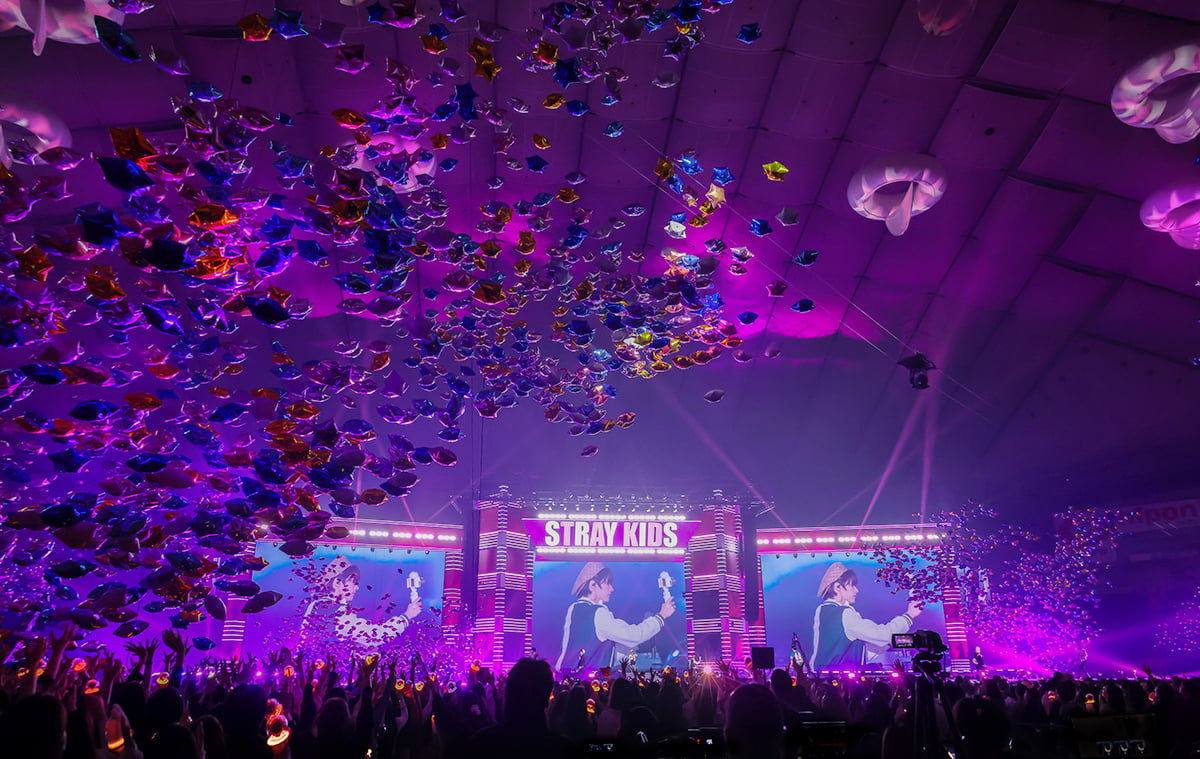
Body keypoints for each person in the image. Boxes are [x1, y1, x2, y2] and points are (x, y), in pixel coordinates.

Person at [554, 562, 676, 673]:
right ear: (593, 585)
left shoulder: (574, 609)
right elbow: (634, 635)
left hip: (566, 678)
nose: (612, 589)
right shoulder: (598, 614)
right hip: (586, 682)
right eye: (607, 583)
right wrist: (661, 616)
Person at [811, 562, 921, 671]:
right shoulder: (844, 614)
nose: (856, 590)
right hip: (836, 678)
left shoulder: (822, 610)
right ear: (838, 587)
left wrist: (886, 643)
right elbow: (882, 635)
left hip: (822, 676)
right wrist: (909, 616)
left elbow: (855, 649)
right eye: (852, 585)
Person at [299, 556, 422, 652]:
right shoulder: (337, 610)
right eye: (354, 582)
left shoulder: (316, 605)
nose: (357, 588)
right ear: (337, 582)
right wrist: (406, 616)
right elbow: (374, 636)